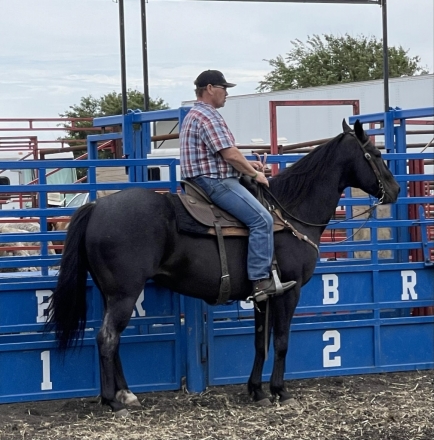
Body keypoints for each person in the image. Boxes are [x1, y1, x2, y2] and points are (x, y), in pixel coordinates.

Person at [179, 69, 296, 302]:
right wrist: (255, 173)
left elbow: (224, 156)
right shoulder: (208, 116)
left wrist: (246, 165)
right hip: (213, 182)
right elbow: (230, 154)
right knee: (263, 219)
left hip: (203, 178)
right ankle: (261, 282)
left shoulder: (195, 114)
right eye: (224, 89)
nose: (226, 94)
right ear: (210, 88)